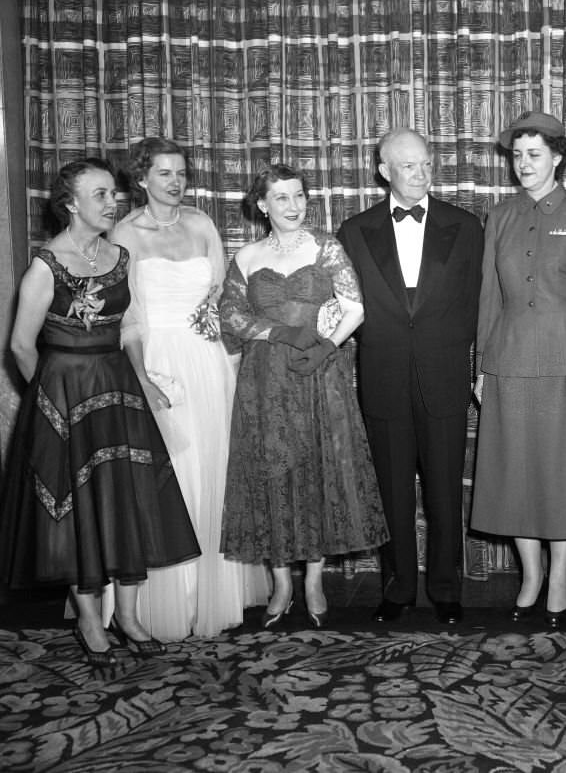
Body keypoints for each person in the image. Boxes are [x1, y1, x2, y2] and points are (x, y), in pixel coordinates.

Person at [0, 158, 200, 664]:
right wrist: (49, 402)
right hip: (65, 398)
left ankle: (128, 617)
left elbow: (129, 326)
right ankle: (90, 623)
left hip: (118, 390)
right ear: (71, 204)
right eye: (101, 195)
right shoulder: (46, 266)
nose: (113, 202)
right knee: (78, 509)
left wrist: (145, 381)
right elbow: (22, 346)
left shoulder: (120, 256)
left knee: (126, 501)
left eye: (113, 193)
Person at [110, 137, 269, 640]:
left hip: (209, 361)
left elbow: (225, 301)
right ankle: (167, 598)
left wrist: (234, 359)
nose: (175, 181)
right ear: (142, 178)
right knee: (170, 474)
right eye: (164, 173)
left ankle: (212, 591)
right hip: (159, 363)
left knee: (214, 468)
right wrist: (141, 379)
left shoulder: (201, 224)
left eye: (180, 172)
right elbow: (127, 320)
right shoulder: (125, 234)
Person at [219, 164, 387, 629]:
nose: (293, 207)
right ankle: (281, 583)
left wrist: (326, 347)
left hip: (316, 371)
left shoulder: (325, 247)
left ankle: (313, 579)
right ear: (262, 204)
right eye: (282, 198)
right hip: (264, 377)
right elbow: (229, 314)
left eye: (298, 196)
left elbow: (354, 308)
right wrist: (278, 331)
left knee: (315, 468)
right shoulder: (247, 256)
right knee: (271, 470)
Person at [338, 129, 483, 625]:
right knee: (393, 493)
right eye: (408, 166)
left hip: (443, 376)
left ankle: (446, 588)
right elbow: (343, 307)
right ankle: (397, 588)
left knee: (445, 491)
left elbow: (477, 305)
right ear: (384, 171)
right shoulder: (354, 231)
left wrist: (476, 365)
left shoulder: (466, 226)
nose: (420, 174)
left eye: (425, 164)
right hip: (382, 377)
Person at [470, 111, 566, 628]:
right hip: (507, 358)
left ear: (557, 157)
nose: (523, 164)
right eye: (517, 155)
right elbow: (488, 296)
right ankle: (529, 575)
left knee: (559, 473)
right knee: (513, 473)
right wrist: (481, 364)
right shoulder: (499, 216)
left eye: (534, 154)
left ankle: (558, 576)